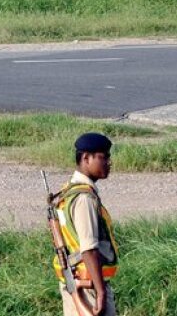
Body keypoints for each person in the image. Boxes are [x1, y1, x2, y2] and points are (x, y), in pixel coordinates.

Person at [53, 132, 120, 316]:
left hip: (75, 281)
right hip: (88, 285)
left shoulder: (67, 191)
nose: (108, 162)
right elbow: (88, 249)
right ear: (86, 158)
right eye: (103, 157)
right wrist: (100, 292)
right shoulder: (84, 199)